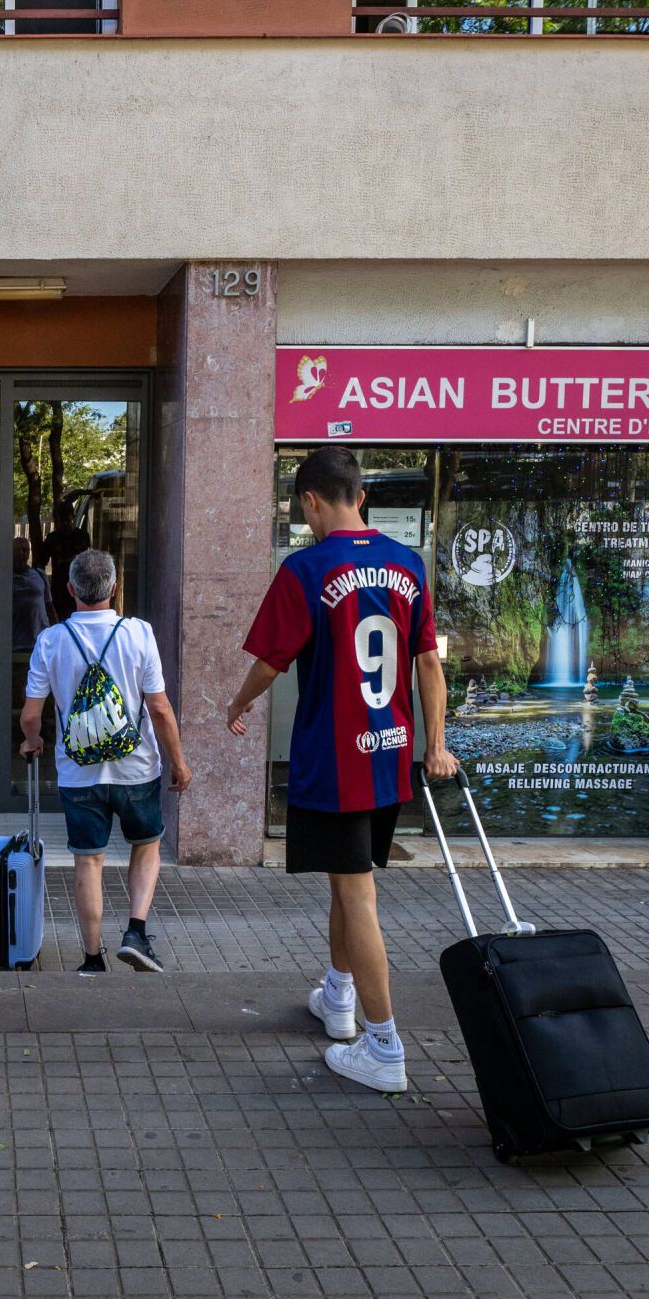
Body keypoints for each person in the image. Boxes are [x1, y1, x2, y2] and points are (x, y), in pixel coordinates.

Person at [224, 446, 457, 1094]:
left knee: (358, 894)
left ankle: (383, 1046)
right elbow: (428, 662)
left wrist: (238, 704)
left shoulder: (305, 568)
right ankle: (339, 994)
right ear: (361, 495)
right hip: (389, 754)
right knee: (347, 877)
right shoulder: (407, 563)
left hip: (336, 762)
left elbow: (271, 661)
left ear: (310, 501)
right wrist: (435, 744)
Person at [20, 548, 190, 975]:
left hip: (79, 774)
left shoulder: (51, 640)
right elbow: (160, 708)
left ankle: (92, 959)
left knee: (88, 861)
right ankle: (136, 933)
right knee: (146, 845)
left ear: (70, 589)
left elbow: (30, 715)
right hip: (138, 769)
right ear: (114, 588)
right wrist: (178, 762)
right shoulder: (139, 633)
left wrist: (32, 742)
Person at [37, 499, 91, 623]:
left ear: (73, 517)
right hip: (59, 591)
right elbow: (41, 562)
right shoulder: (52, 538)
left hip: (78, 590)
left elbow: (88, 561)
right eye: (62, 521)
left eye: (68, 520)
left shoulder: (82, 536)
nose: (65, 524)